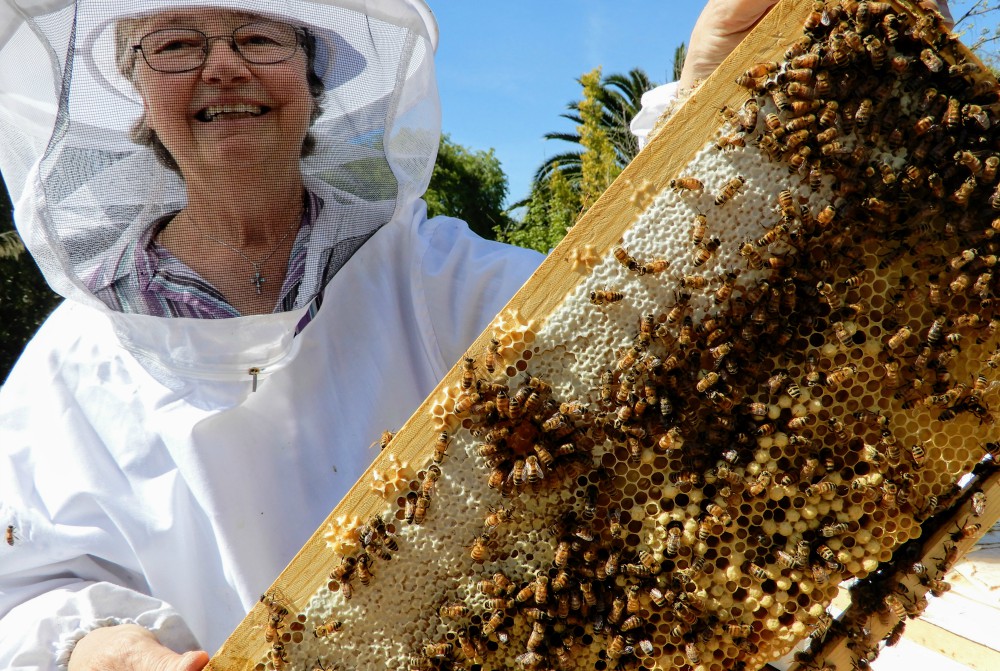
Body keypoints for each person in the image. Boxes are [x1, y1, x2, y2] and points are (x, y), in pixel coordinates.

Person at [0, 1, 953, 670]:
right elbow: (23, 590)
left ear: (315, 75)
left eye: (258, 36)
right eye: (173, 43)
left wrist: (723, 111)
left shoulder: (450, 281)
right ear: (134, 91)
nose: (221, 65)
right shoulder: (60, 371)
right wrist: (100, 650)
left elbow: (666, 317)